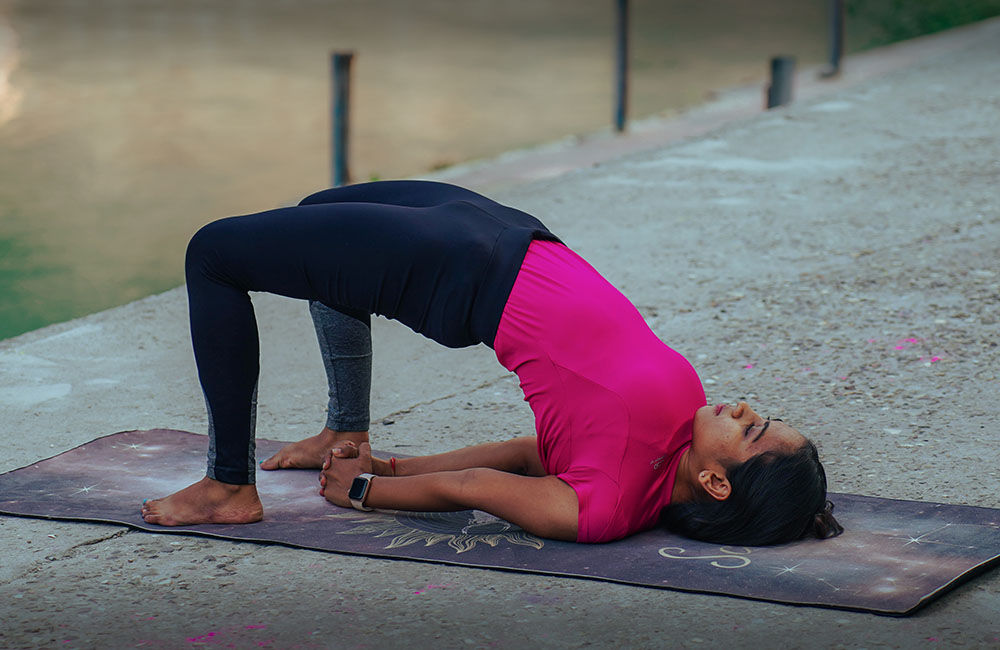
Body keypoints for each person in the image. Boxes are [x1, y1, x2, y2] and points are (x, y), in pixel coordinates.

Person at [141, 180, 843, 545]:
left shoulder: (601, 511)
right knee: (316, 216)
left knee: (214, 253)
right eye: (762, 416)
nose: (747, 409)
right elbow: (526, 453)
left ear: (717, 482)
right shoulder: (675, 434)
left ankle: (229, 487)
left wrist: (361, 493)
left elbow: (480, 485)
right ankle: (343, 431)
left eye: (752, 430)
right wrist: (383, 464)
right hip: (506, 234)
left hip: (459, 272)